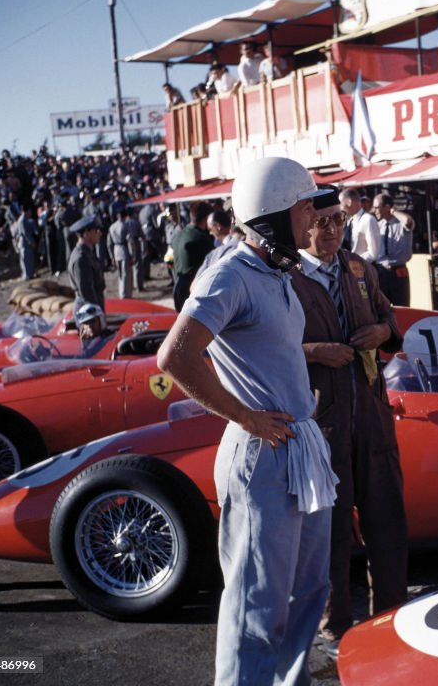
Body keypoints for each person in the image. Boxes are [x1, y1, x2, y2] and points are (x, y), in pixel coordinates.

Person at [157, 156, 337, 686]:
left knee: (308, 591)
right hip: (263, 454)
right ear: (275, 214)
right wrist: (244, 416)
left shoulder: (276, 268)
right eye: (306, 209)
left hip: (298, 445)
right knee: (256, 604)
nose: (314, 220)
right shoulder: (230, 272)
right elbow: (176, 356)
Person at [290, 197, 408, 656]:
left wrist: (382, 332)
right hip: (322, 423)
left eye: (337, 221)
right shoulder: (286, 279)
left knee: (388, 520)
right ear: (303, 226)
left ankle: (393, 617)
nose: (330, 231)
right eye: (320, 223)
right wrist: (316, 351)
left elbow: (389, 318)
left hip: (374, 417)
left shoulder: (358, 268)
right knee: (328, 529)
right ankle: (334, 625)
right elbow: (265, 348)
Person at [170, 201, 215, 311]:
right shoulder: (201, 238)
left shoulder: (179, 235)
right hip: (193, 289)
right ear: (206, 219)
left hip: (178, 287)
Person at [373, 192, 413, 307]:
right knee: (381, 308)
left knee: (402, 307)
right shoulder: (377, 225)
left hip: (398, 271)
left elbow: (408, 222)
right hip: (381, 272)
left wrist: (394, 212)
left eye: (377, 208)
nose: (374, 211)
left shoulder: (401, 224)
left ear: (387, 207)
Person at [67, 214, 105, 313]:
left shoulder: (88, 253)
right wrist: (96, 316)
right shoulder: (81, 258)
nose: (100, 233)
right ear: (85, 234)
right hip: (88, 312)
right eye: (96, 230)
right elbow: (86, 293)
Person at [340, 188, 380, 263]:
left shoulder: (368, 220)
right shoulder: (348, 221)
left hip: (364, 269)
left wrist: (353, 262)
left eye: (340, 203)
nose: (340, 207)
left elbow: (373, 253)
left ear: (349, 202)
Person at [107, 207, 133, 298]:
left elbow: (109, 242)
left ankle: (121, 292)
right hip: (124, 249)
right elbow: (129, 241)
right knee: (126, 273)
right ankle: (126, 294)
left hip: (116, 250)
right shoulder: (126, 226)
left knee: (120, 274)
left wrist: (111, 256)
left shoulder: (112, 227)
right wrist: (131, 254)